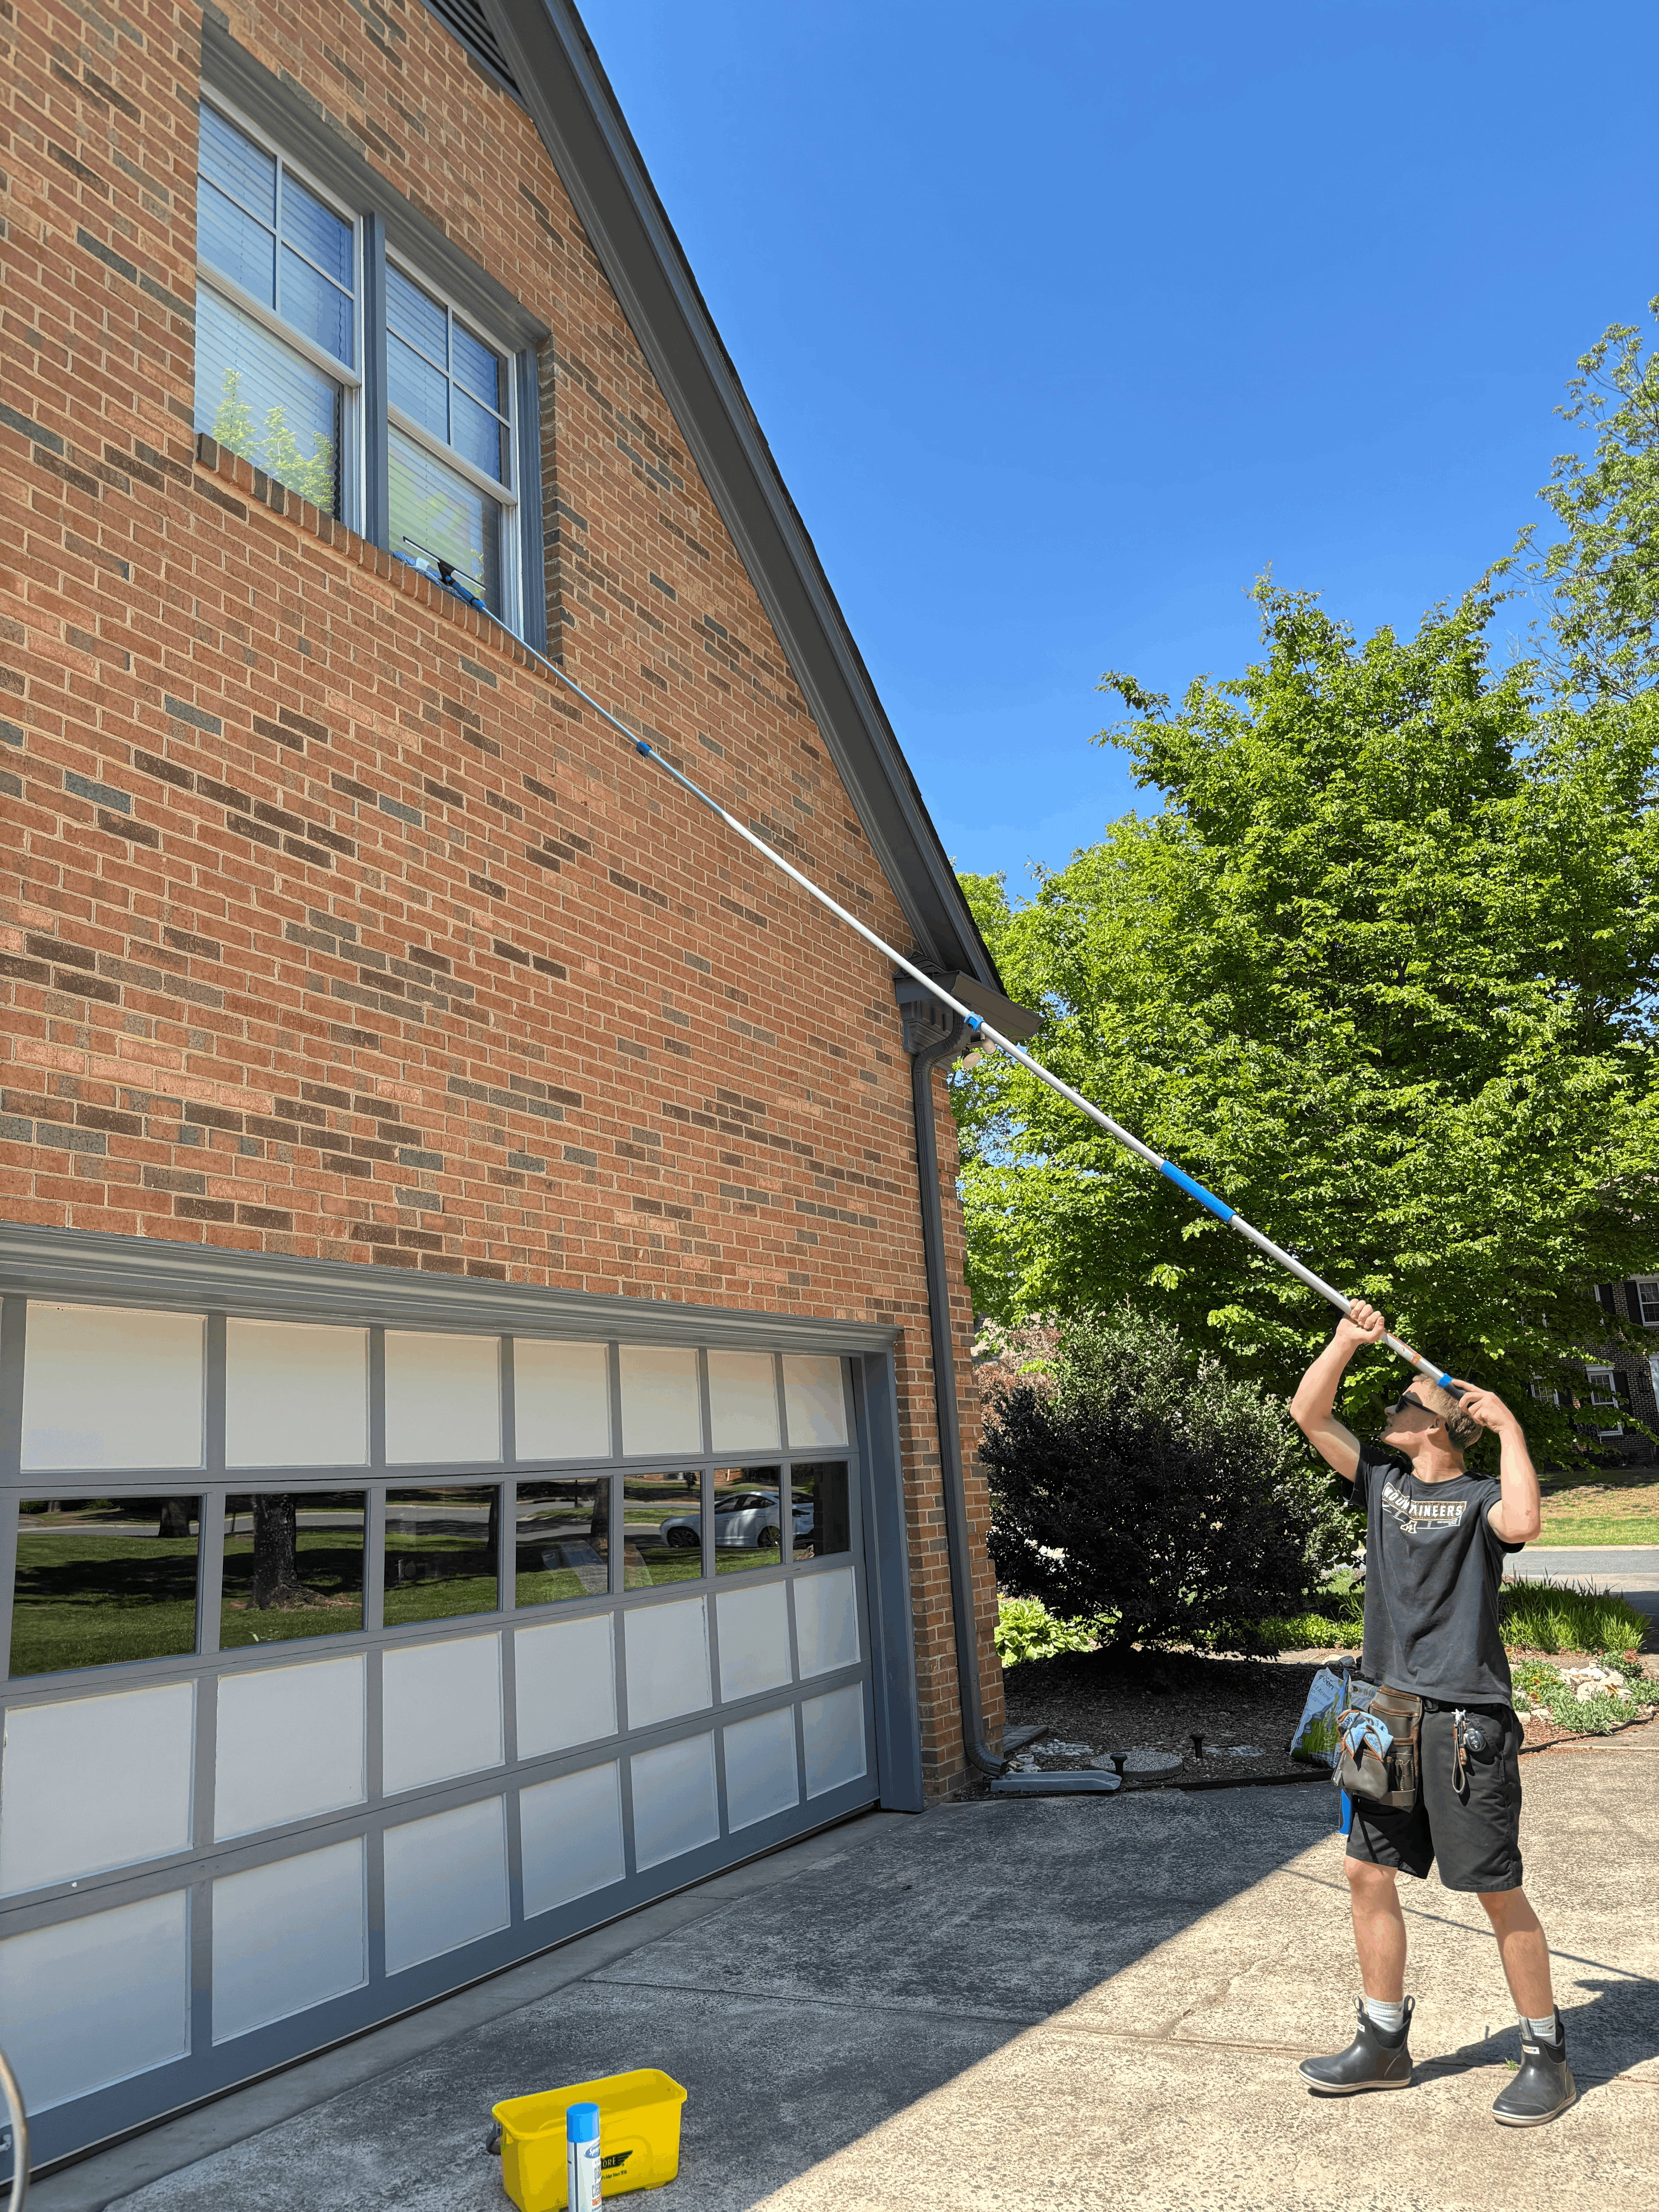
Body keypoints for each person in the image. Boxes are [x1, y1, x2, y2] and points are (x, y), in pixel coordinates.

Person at [1287, 1299, 1575, 2126]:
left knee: (1494, 1888)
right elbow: (1310, 1413)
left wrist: (1512, 1426)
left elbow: (1525, 1521)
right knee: (1365, 1871)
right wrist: (1346, 1340)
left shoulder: (1484, 1497)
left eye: (1407, 1403)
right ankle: (1382, 2040)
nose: (1391, 1411)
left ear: (1441, 1426)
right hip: (1383, 1711)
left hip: (1463, 1725)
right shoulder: (1381, 1484)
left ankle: (1544, 2052)